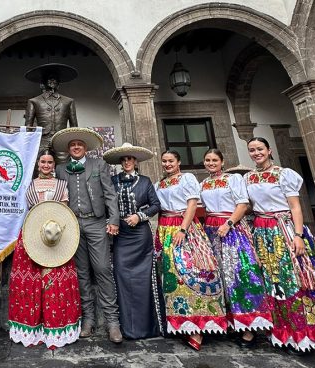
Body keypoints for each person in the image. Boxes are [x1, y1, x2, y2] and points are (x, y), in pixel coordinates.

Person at [245, 137, 315, 352]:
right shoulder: (248, 178)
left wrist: (298, 235)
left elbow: (295, 207)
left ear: (269, 150)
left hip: (284, 229)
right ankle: (281, 330)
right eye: (252, 150)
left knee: (295, 278)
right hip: (262, 232)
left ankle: (305, 331)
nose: (256, 153)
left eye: (260, 149)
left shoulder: (284, 174)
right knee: (272, 280)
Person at [53, 127, 122, 343]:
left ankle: (112, 322)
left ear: (85, 148)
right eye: (73, 145)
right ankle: (88, 320)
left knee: (102, 269)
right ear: (68, 148)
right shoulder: (61, 169)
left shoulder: (98, 165)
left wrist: (113, 220)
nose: (76, 147)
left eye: (80, 145)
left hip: (96, 222)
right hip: (72, 224)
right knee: (81, 272)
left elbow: (110, 194)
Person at [8, 149, 81, 348]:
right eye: (43, 162)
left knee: (55, 280)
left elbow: (64, 211)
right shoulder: (28, 185)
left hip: (55, 238)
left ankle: (56, 327)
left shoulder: (61, 185)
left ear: (54, 165)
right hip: (31, 235)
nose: (46, 165)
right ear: (38, 164)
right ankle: (30, 328)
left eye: (50, 162)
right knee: (30, 281)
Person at [154, 150, 226, 351]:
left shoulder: (187, 178)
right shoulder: (159, 184)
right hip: (165, 228)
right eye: (164, 161)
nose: (167, 164)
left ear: (178, 162)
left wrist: (183, 229)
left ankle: (199, 326)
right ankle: (182, 323)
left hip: (184, 228)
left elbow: (192, 204)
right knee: (173, 279)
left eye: (171, 161)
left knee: (193, 272)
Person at [200, 149, 272, 347]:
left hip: (231, 230)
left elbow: (242, 204)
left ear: (222, 162)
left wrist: (228, 224)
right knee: (220, 277)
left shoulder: (233, 179)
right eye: (207, 160)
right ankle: (232, 322)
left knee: (240, 275)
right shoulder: (204, 183)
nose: (211, 163)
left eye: (215, 160)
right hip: (211, 231)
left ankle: (249, 328)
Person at [103, 143, 163, 339]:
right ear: (120, 163)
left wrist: (139, 216)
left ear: (135, 161)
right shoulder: (112, 181)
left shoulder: (145, 182)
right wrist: (111, 222)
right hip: (121, 235)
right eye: (123, 159)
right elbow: (105, 204)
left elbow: (155, 205)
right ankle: (126, 328)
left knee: (143, 279)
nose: (127, 161)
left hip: (140, 236)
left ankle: (148, 327)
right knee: (121, 275)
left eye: (130, 158)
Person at [24, 63, 78, 152]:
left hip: (62, 141)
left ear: (59, 82)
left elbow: (74, 127)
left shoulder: (69, 101)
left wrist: (74, 144)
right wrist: (28, 145)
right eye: (49, 78)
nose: (52, 80)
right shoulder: (34, 101)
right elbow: (28, 127)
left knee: (63, 165)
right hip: (42, 141)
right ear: (44, 81)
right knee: (41, 165)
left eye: (55, 78)